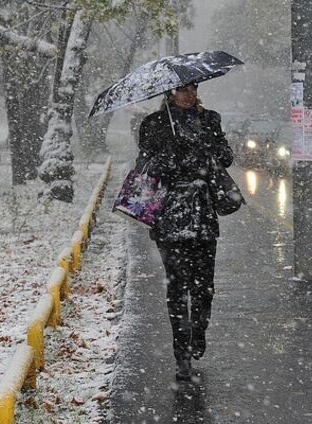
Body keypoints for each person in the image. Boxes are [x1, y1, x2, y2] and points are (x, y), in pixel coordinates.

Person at [136, 82, 234, 381]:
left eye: (193, 88)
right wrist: (174, 158)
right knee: (177, 290)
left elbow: (227, 157)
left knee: (204, 288)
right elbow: (145, 165)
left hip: (203, 215)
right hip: (170, 217)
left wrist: (207, 149)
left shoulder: (209, 119)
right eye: (182, 90)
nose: (189, 95)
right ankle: (182, 354)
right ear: (170, 93)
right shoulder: (154, 124)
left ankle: (198, 331)